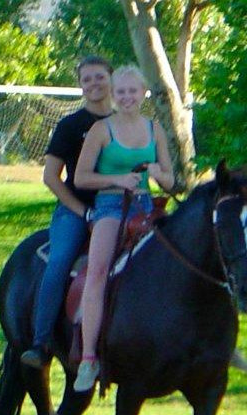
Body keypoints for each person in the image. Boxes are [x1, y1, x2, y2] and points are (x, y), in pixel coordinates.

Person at [72, 65, 174, 391]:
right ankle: (88, 357)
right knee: (99, 271)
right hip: (111, 205)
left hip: (146, 205)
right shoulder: (101, 130)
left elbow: (171, 181)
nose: (127, 97)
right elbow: (80, 178)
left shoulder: (155, 129)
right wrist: (117, 179)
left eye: (133, 91)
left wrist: (158, 173)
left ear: (143, 93)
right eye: (121, 92)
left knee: (181, 260)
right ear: (113, 95)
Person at [20, 56, 114, 369]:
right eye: (87, 79)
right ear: (81, 86)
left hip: (119, 207)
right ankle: (41, 342)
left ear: (111, 79)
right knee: (60, 261)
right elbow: (51, 177)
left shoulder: (126, 123)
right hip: (76, 210)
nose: (94, 84)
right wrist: (83, 212)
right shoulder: (70, 126)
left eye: (99, 77)